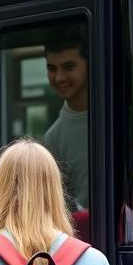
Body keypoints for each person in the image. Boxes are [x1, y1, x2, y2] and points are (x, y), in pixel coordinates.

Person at [43, 29, 89, 210]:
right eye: (52, 69)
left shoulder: (123, 116)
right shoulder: (52, 139)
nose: (59, 77)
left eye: (69, 67)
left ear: (89, 63)